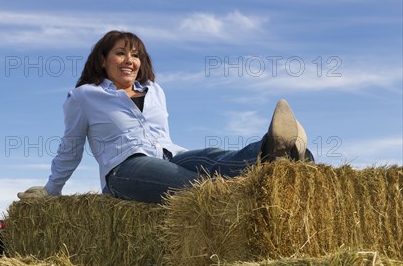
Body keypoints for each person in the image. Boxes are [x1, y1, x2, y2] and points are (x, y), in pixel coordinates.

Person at [17, 30, 313, 204]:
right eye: (120, 53)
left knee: (218, 158)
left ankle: (278, 149)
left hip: (169, 155)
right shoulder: (84, 97)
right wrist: (51, 190)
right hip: (125, 169)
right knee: (195, 185)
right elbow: (71, 148)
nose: (129, 60)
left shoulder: (155, 91)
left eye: (135, 55)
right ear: (103, 60)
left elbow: (162, 137)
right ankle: (271, 168)